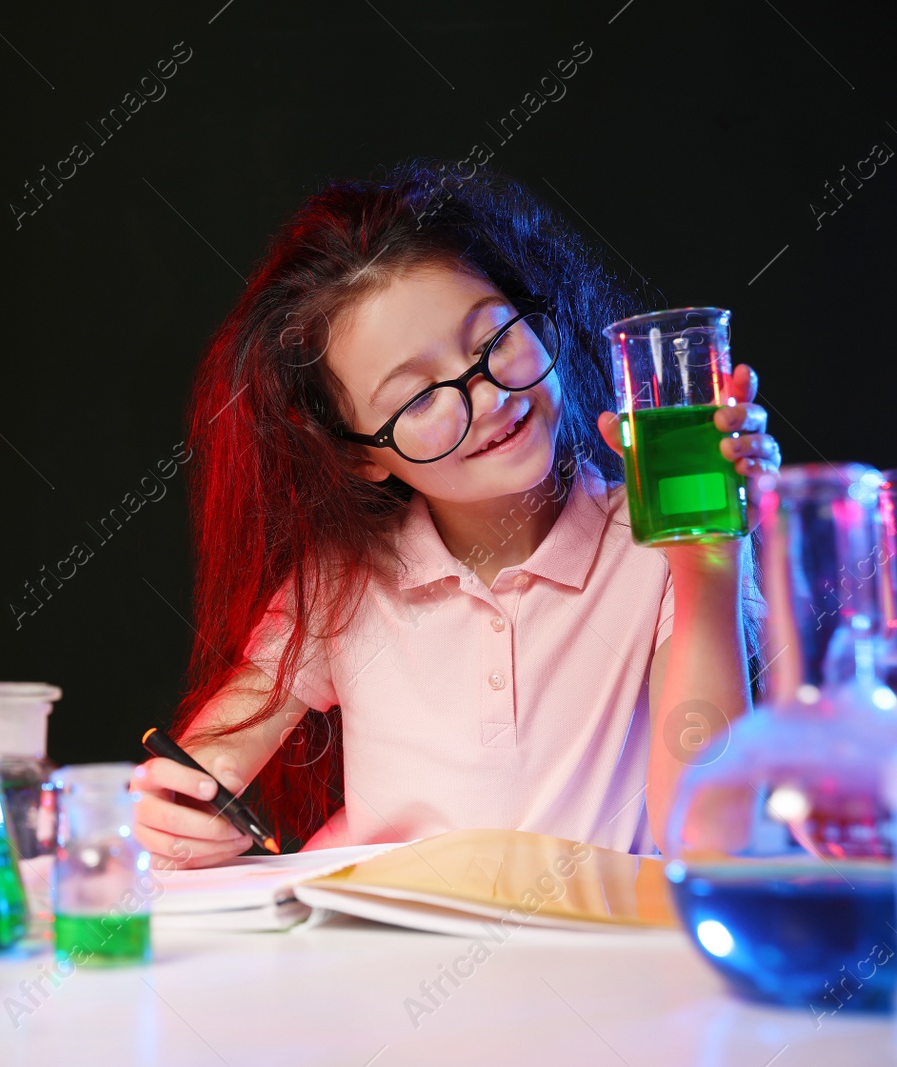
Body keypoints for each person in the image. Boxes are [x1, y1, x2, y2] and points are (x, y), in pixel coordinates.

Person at [132, 162, 777, 868]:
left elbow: (709, 837)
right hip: (385, 958)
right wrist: (176, 813)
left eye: (492, 340)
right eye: (417, 398)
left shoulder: (656, 551)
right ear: (359, 456)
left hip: (598, 965)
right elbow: (191, 781)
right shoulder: (340, 584)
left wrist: (706, 561)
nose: (486, 395)